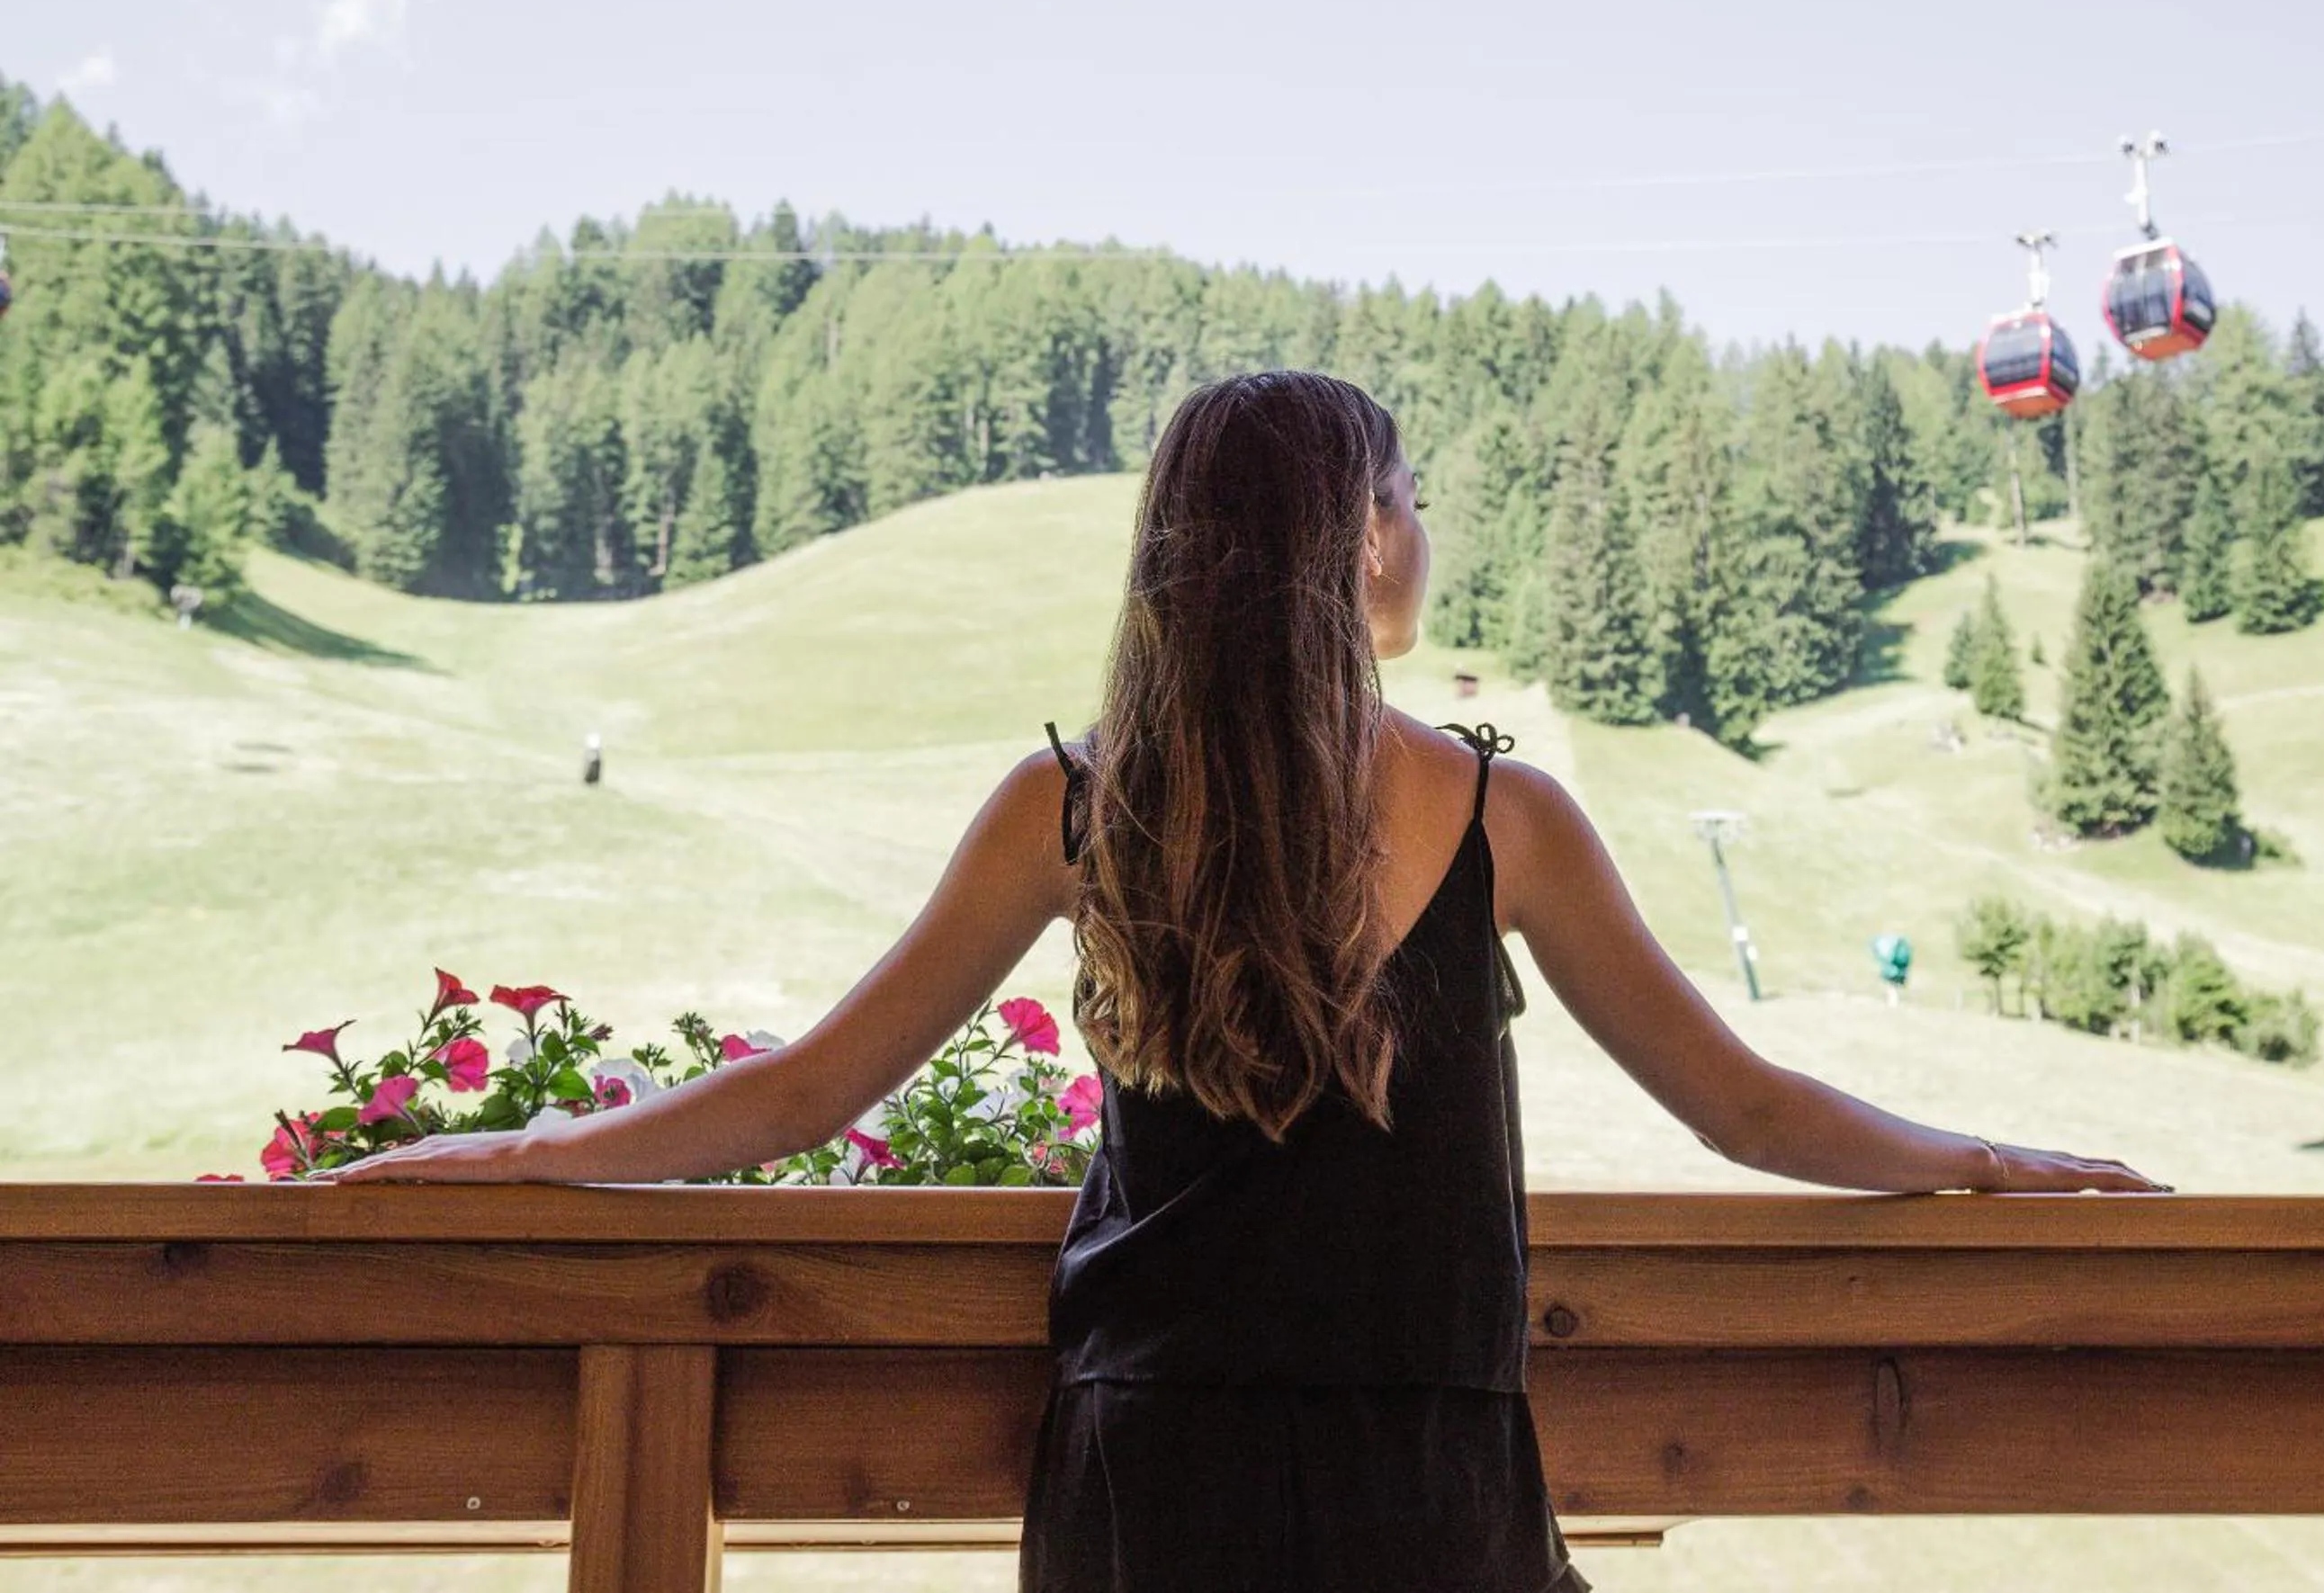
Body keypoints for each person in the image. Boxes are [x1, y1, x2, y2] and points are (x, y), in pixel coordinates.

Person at [321, 369, 2169, 1591]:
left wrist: (524, 1152)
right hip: (1426, 1472)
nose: (1426, 534)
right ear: (1360, 540)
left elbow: (809, 1092)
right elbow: (1745, 1105)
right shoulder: (1503, 815)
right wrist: (1979, 1156)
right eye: (1412, 499)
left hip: (1154, 1473)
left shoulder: (1072, 808)